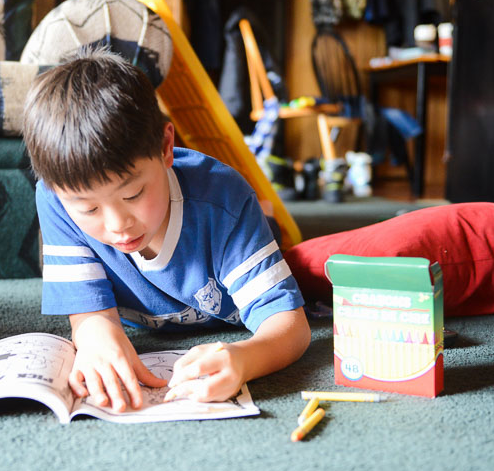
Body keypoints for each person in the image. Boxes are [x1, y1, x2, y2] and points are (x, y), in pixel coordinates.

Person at [23, 48, 311, 412]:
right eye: (89, 208)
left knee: (312, 265)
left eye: (133, 193)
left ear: (166, 147)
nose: (117, 226)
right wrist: (97, 334)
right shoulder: (56, 198)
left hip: (233, 241)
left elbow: (292, 327)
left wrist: (244, 358)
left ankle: (268, 223)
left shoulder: (223, 201)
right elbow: (88, 314)